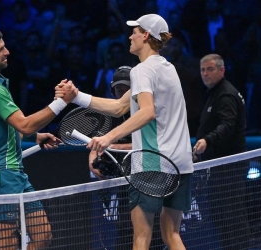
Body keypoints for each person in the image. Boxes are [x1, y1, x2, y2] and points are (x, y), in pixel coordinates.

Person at [56, 14, 194, 250]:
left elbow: (147, 112)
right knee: (172, 234)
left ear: (146, 35)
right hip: (181, 163)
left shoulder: (141, 71)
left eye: (135, 31)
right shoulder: (168, 68)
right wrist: (76, 97)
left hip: (153, 162)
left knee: (141, 237)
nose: (130, 36)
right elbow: (121, 106)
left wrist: (108, 137)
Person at [0, 28, 76, 249]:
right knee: (8, 243)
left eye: (5, 46)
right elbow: (24, 123)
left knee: (43, 235)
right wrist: (61, 103)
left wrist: (35, 136)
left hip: (14, 172)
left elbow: (14, 128)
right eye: (0, 50)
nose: (7, 52)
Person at [192, 54, 251, 249]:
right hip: (217, 166)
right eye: (202, 70)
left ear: (222, 70)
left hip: (229, 167)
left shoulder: (225, 94)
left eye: (210, 69)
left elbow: (227, 125)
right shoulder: (213, 93)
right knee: (220, 217)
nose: (205, 74)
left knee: (232, 216)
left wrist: (207, 141)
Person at [89, 65, 132, 250]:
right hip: (120, 179)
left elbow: (147, 144)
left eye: (126, 89)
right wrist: (92, 161)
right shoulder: (107, 113)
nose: (121, 92)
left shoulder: (143, 110)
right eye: (119, 89)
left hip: (143, 174)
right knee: (123, 227)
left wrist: (112, 145)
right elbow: (96, 143)